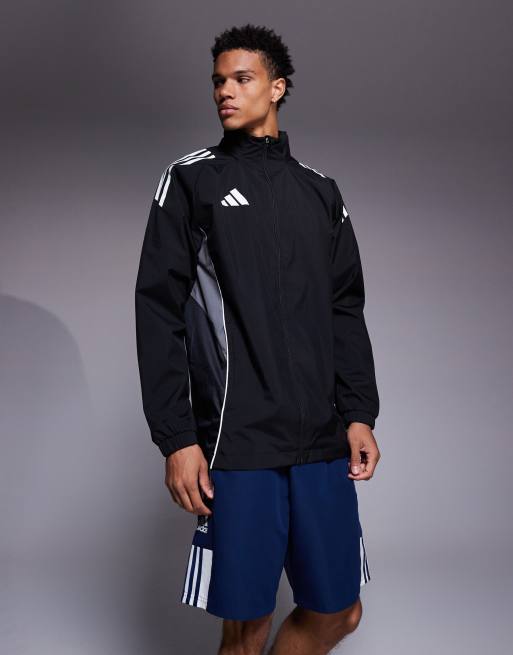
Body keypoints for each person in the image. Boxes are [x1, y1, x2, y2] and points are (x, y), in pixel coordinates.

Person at [135, 23, 381, 655]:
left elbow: (345, 308)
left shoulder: (320, 191)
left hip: (321, 440)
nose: (225, 91)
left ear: (277, 87)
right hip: (237, 442)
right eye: (218, 81)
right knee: (246, 627)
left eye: (241, 79)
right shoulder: (191, 181)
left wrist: (358, 412)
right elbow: (157, 312)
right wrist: (177, 438)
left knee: (340, 610)